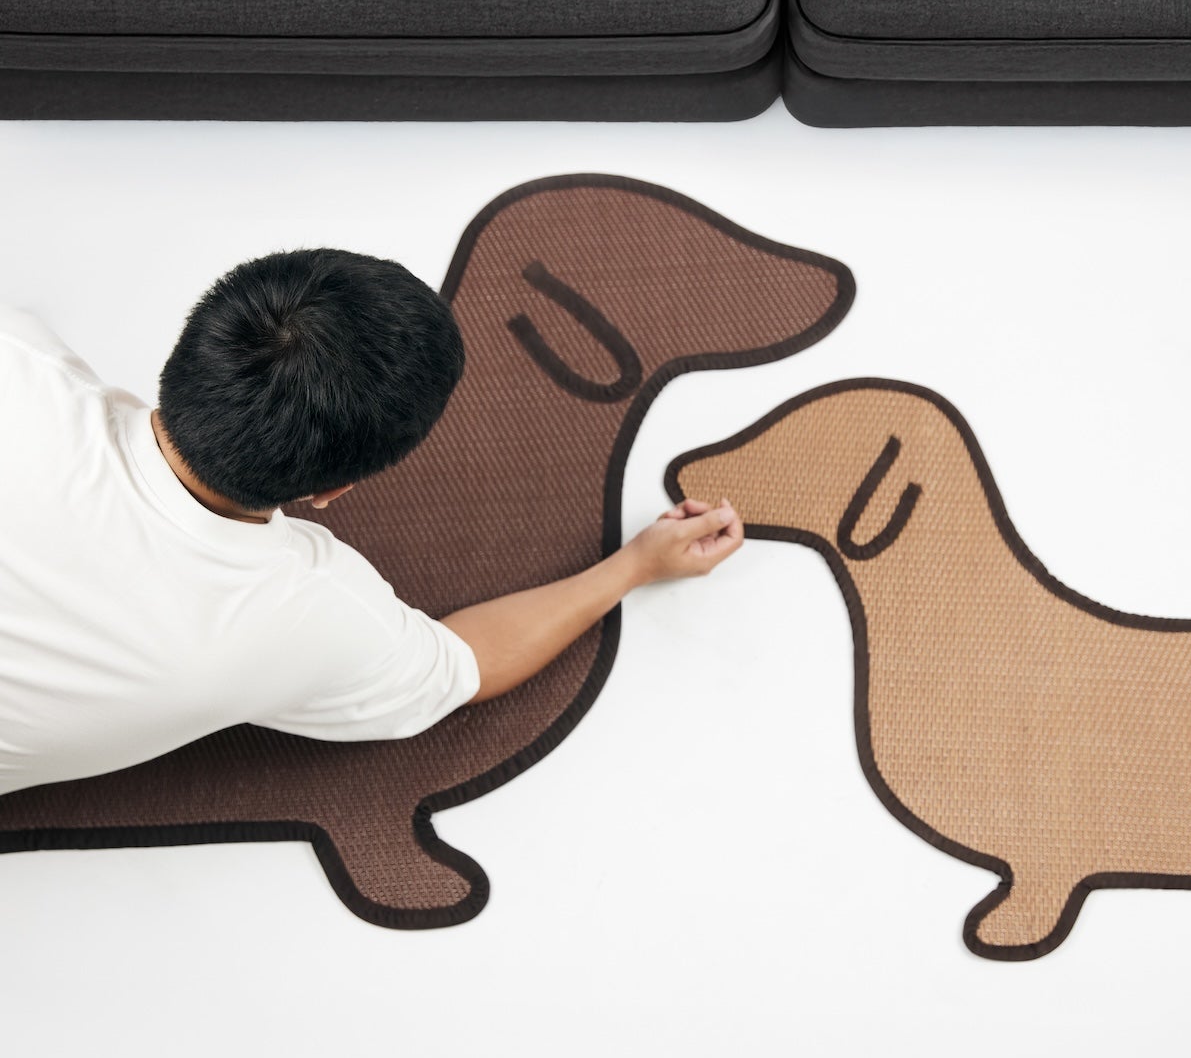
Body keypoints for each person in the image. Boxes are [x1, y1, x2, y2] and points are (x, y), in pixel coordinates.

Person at [0, 247, 743, 797]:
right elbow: (464, 665)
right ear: (335, 489)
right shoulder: (306, 611)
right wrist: (636, 565)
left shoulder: (20, 362)